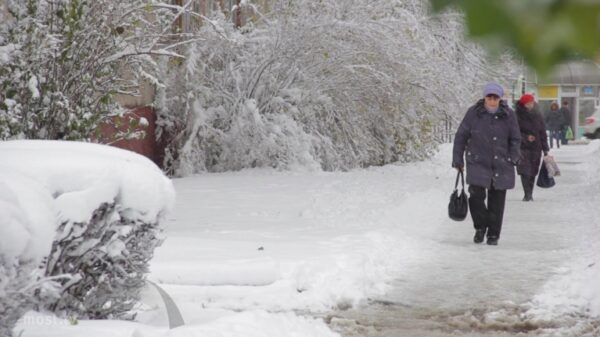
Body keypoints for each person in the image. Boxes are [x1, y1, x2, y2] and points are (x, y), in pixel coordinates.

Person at [452, 82, 521, 246]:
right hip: (477, 161)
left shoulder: (508, 115)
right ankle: (480, 227)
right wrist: (457, 159)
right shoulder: (473, 113)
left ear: (500, 98)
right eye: (489, 97)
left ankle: (493, 235)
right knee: (476, 197)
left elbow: (515, 138)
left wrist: (513, 156)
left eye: (495, 97)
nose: (492, 100)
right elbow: (461, 136)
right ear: (484, 97)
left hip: (502, 162)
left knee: (497, 201)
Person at [515, 94, 549, 201]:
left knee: (533, 170)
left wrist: (545, 148)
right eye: (528, 103)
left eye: (531, 103)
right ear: (523, 104)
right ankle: (527, 194)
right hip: (522, 147)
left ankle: (530, 192)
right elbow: (514, 132)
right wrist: (525, 137)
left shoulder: (538, 114)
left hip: (536, 146)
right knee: (524, 169)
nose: (530, 105)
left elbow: (542, 132)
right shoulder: (517, 115)